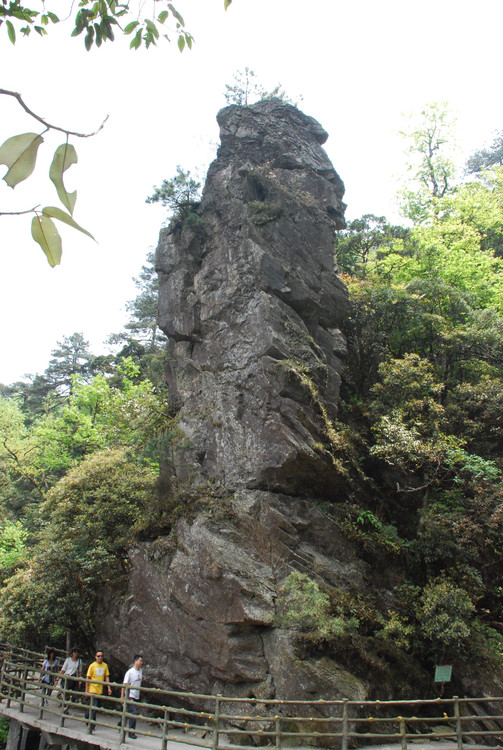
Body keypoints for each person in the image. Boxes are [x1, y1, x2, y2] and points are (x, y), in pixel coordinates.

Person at [84, 650, 112, 731]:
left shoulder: (105, 666)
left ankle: (87, 716)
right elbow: (88, 678)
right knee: (94, 707)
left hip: (100, 690)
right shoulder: (92, 666)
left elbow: (107, 677)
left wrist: (109, 688)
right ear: (95, 657)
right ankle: (92, 724)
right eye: (98, 656)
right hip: (93, 689)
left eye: (101, 656)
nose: (100, 657)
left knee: (96, 707)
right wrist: (87, 690)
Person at [120, 655, 143, 739]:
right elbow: (124, 684)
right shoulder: (130, 672)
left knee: (127, 712)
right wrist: (122, 696)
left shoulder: (140, 671)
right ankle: (131, 732)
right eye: (140, 661)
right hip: (129, 695)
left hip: (136, 695)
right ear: (135, 661)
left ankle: (120, 725)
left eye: (141, 661)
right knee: (133, 714)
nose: (141, 663)